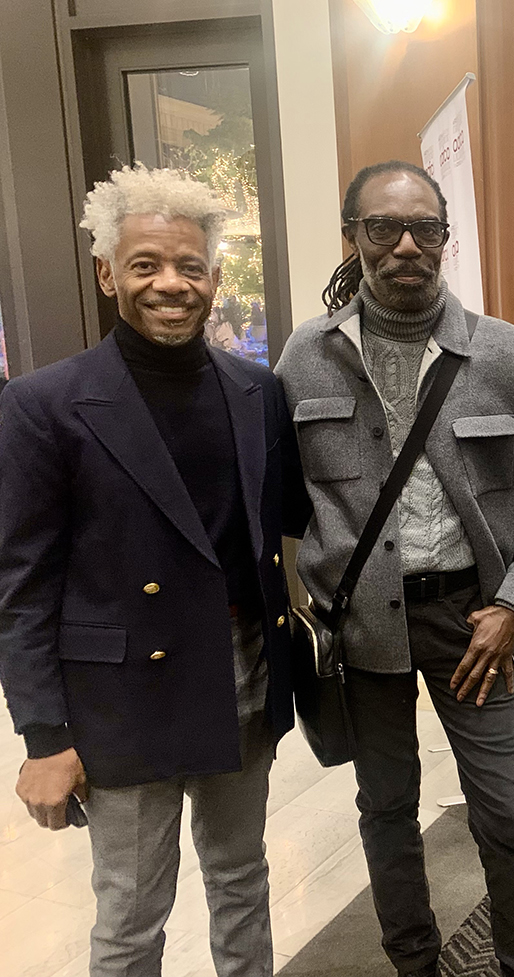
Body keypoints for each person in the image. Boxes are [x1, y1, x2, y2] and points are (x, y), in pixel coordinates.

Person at [0, 164, 310, 977]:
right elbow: (22, 587)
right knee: (133, 912)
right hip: (122, 702)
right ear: (108, 273)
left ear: (213, 277)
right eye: (145, 265)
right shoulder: (44, 404)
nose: (169, 283)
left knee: (243, 878)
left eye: (189, 266)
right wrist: (44, 737)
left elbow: (281, 531)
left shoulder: (256, 390)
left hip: (241, 674)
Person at [276, 160, 514, 977]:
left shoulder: (504, 354)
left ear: (446, 238)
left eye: (426, 229)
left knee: (508, 815)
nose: (406, 245)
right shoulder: (305, 358)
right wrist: (309, 609)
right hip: (364, 627)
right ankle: (415, 965)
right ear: (355, 236)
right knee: (386, 810)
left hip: (474, 622)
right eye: (384, 227)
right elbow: (276, 502)